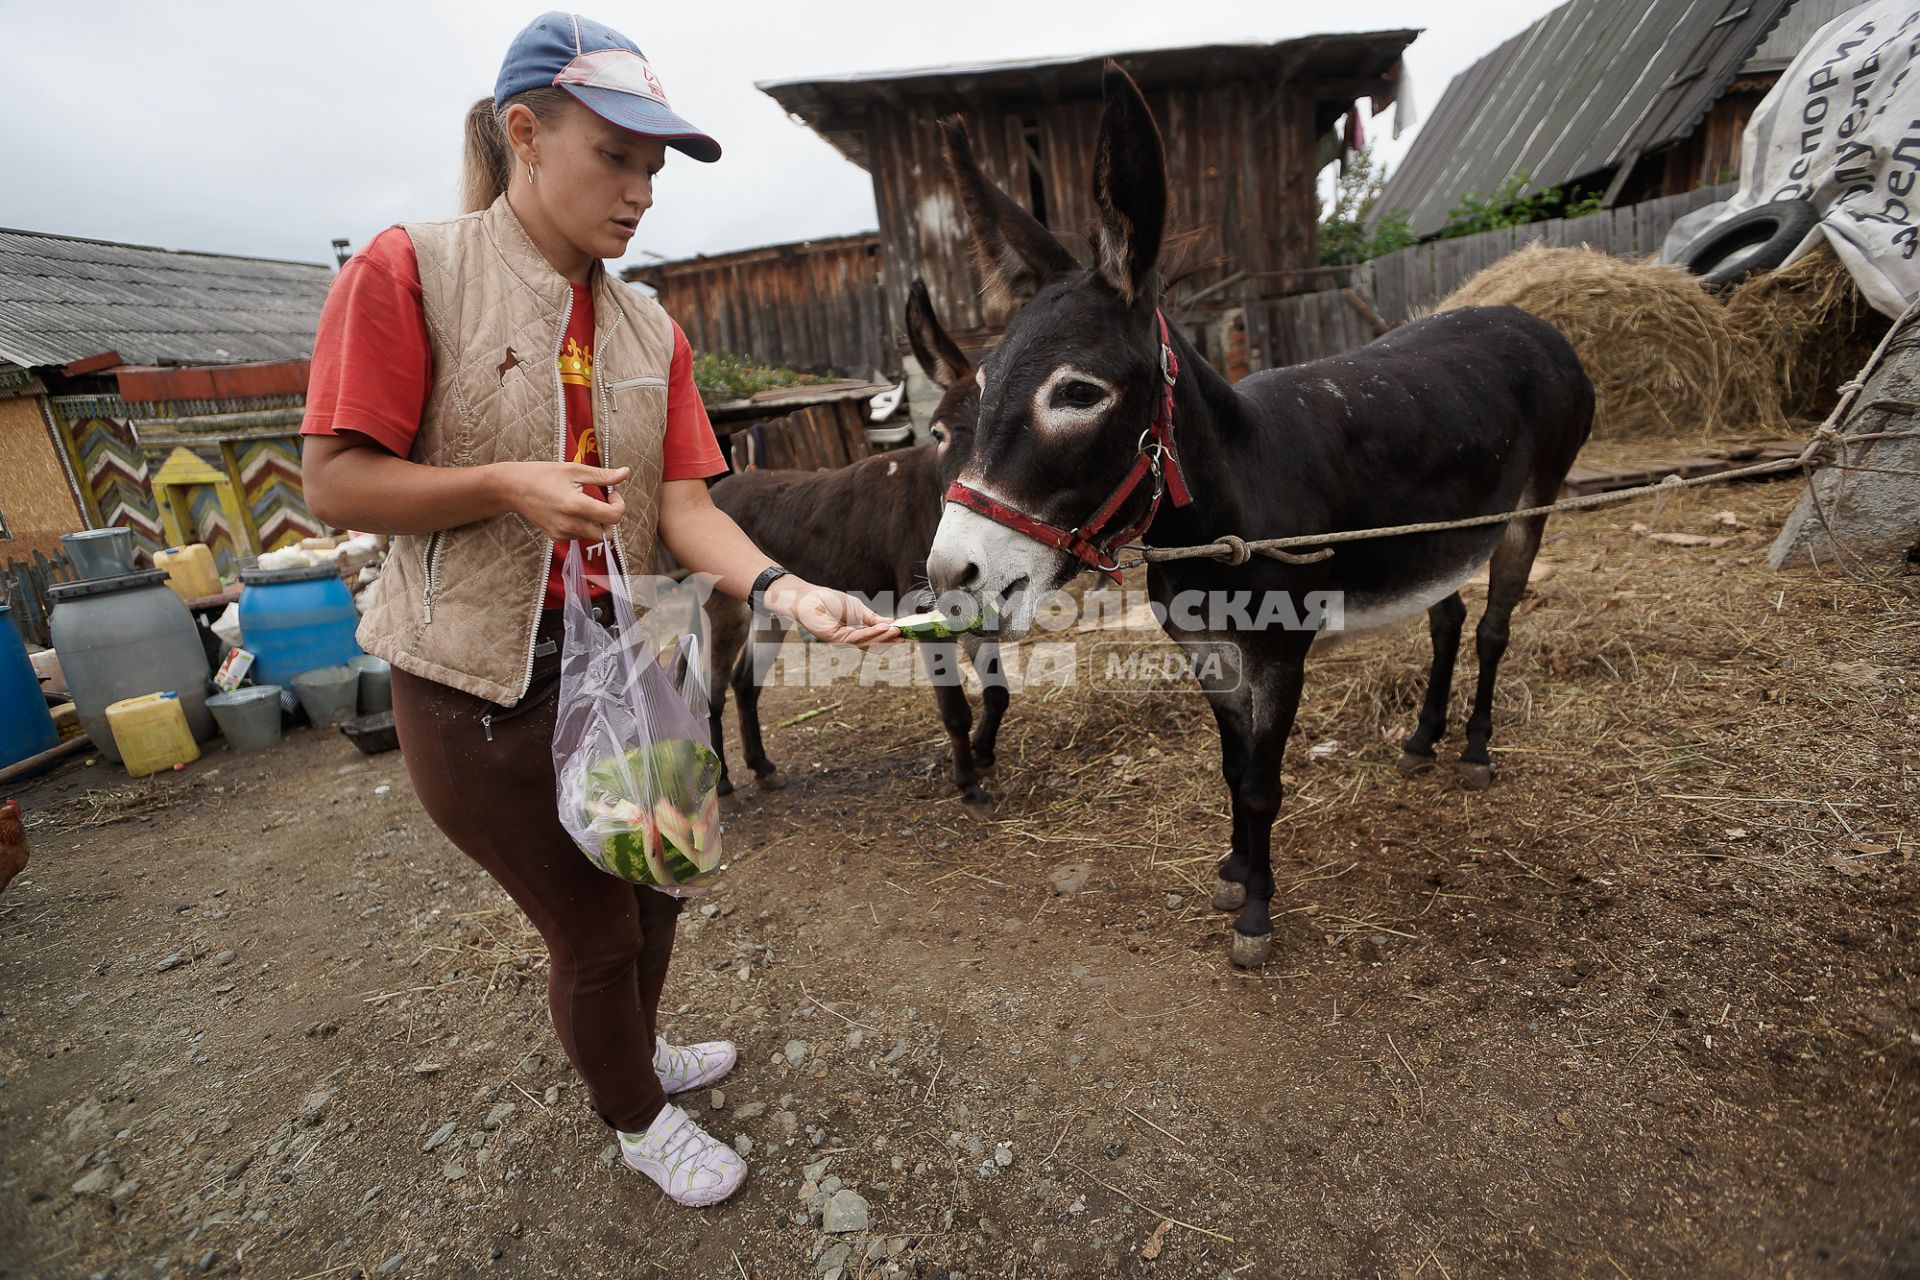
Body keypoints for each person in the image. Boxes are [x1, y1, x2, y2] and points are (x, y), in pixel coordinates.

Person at [299, 11, 901, 1208]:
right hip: (478, 683)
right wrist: (499, 483)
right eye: (613, 157)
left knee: (659, 879)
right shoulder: (412, 269)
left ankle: (638, 1047)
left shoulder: (648, 325)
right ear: (525, 133)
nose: (640, 192)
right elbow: (332, 480)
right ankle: (635, 1114)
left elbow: (687, 507)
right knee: (595, 926)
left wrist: (788, 590)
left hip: (630, 664)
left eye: (652, 169)